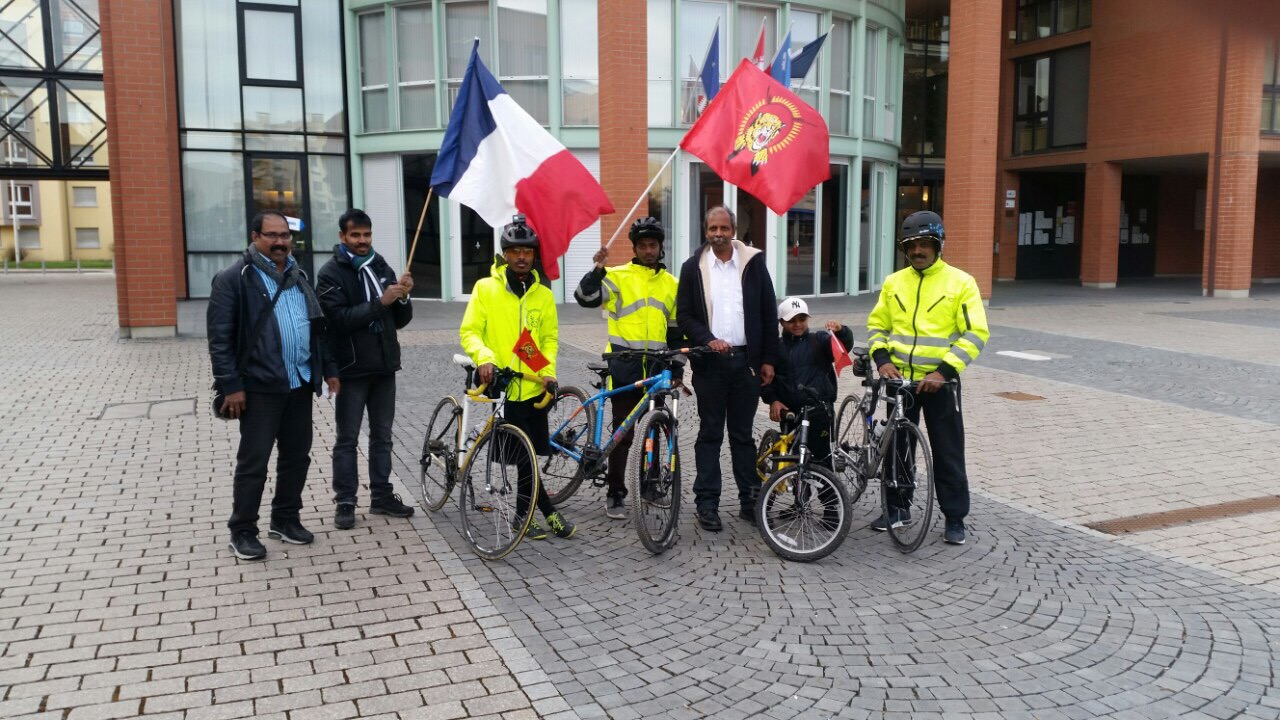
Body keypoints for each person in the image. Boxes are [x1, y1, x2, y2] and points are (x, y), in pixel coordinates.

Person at [207, 210, 339, 561]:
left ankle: (285, 519)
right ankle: (242, 530)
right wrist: (231, 385)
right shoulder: (234, 278)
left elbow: (316, 328)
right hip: (259, 386)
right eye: (272, 235)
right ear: (255, 237)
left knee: (297, 457)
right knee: (254, 462)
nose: (280, 242)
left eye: (284, 235)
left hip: (299, 382)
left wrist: (328, 369)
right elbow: (219, 339)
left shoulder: (298, 276)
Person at [866, 210, 989, 545]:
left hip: (939, 384)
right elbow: (877, 326)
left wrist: (943, 371)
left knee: (948, 451)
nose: (917, 251)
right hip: (900, 383)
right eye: (911, 245)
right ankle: (897, 509)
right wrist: (881, 360)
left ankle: (954, 517)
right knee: (897, 449)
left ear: (938, 245)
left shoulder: (961, 283)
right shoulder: (894, 282)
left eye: (924, 244)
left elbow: (976, 333)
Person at [459, 215, 575, 540]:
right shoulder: (486, 289)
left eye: (527, 251)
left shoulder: (543, 295)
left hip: (534, 387)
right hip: (501, 384)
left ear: (534, 255)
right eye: (515, 251)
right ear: (505, 254)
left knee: (531, 453)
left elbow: (547, 340)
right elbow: (470, 331)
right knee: (524, 455)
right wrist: (484, 358)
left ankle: (524, 516)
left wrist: (548, 372)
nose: (521, 257)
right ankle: (543, 514)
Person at [676, 206, 779, 531]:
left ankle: (750, 503)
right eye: (712, 229)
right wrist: (708, 339)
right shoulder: (693, 267)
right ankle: (707, 504)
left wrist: (768, 359)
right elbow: (684, 316)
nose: (718, 234)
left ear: (734, 230)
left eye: (723, 228)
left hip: (746, 364)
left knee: (742, 437)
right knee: (709, 435)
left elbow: (768, 312)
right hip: (710, 365)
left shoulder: (753, 263)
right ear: (705, 231)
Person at [573, 217, 683, 519]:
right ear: (634, 248)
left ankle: (650, 485)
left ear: (660, 247)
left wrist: (677, 369)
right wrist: (597, 270)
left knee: (655, 429)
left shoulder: (672, 284)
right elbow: (584, 298)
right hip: (624, 366)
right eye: (642, 245)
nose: (648, 250)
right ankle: (615, 493)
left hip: (657, 368)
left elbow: (677, 332)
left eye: (653, 245)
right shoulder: (617, 276)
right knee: (623, 433)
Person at [316, 208, 416, 530]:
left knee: (382, 436)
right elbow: (338, 320)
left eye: (367, 234)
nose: (362, 241)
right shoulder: (330, 273)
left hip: (384, 367)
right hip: (351, 369)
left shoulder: (380, 265)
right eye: (356, 235)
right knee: (347, 439)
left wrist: (403, 297)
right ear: (342, 236)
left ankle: (382, 496)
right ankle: (345, 501)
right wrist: (381, 302)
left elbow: (399, 320)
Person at [761, 297, 854, 469]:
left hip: (819, 411)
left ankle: (827, 487)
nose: (797, 324)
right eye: (791, 321)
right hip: (790, 412)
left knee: (822, 459)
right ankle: (794, 484)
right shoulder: (775, 349)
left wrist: (841, 331)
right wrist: (773, 400)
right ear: (781, 322)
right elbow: (766, 380)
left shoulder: (819, 340)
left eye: (802, 319)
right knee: (792, 459)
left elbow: (843, 346)